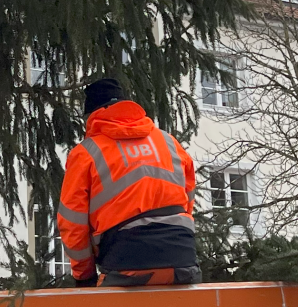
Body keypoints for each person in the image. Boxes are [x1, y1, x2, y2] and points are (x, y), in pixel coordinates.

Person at [57, 78, 200, 287]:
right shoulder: (168, 142)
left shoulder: (86, 153)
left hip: (127, 263)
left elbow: (72, 222)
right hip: (182, 260)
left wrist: (84, 276)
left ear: (90, 115)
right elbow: (187, 200)